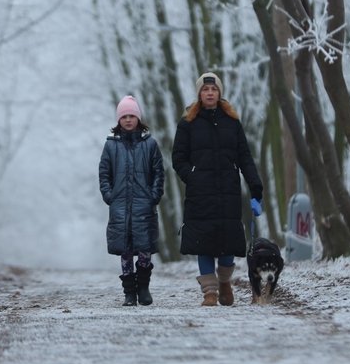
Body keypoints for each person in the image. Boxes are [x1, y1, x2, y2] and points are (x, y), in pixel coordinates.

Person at [172, 72, 263, 306]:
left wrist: (256, 188)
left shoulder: (232, 122)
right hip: (199, 194)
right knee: (203, 243)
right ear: (199, 94)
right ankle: (209, 293)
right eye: (205, 89)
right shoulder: (188, 124)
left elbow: (244, 157)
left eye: (213, 89)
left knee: (227, 244)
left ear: (219, 92)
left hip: (228, 193)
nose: (210, 93)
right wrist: (191, 176)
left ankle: (224, 282)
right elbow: (178, 158)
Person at [98, 95, 165, 306]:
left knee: (144, 249)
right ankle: (129, 293)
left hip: (144, 206)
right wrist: (109, 195)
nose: (128, 120)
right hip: (120, 207)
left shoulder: (150, 144)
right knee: (126, 250)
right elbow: (104, 173)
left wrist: (154, 196)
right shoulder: (111, 146)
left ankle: (143, 288)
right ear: (119, 119)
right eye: (124, 116)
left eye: (132, 116)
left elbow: (158, 173)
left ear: (138, 118)